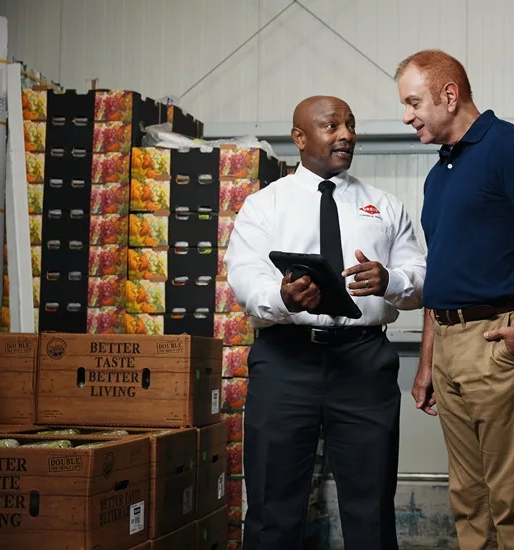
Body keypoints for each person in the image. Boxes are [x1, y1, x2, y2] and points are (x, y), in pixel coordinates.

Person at [224, 95, 427, 550]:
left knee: (370, 504)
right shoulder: (263, 206)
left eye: (350, 125)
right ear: (300, 137)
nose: (347, 135)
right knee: (272, 504)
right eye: (332, 126)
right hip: (285, 361)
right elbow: (245, 278)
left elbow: (421, 282)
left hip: (364, 360)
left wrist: (389, 279)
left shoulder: (385, 206)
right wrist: (283, 295)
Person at [394, 50, 514, 550]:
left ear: (449, 96)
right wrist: (427, 362)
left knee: (512, 499)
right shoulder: (439, 174)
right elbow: (442, 271)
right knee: (468, 497)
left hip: (498, 337)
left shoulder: (509, 148)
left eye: (413, 102)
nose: (406, 116)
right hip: (449, 344)